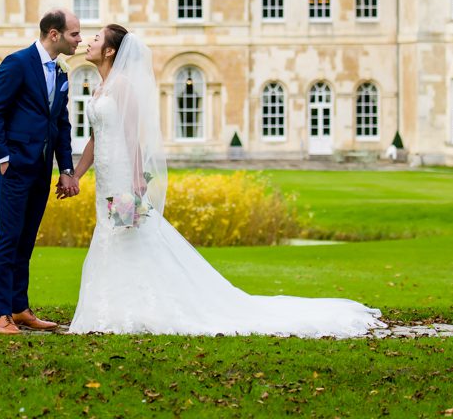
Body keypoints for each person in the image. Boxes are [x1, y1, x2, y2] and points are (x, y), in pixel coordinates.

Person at [65, 23, 386, 337]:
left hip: (123, 176)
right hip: (106, 179)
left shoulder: (122, 86)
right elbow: (96, 138)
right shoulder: (99, 89)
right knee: (113, 236)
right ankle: (115, 307)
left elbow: (133, 136)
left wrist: (136, 179)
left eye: (95, 39)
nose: (88, 42)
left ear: (109, 50)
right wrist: (76, 175)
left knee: (131, 238)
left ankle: (143, 308)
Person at [0, 9, 82, 335]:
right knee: (8, 238)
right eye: (74, 34)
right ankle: (0, 314)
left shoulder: (63, 73)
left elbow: (61, 125)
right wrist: (2, 158)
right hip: (15, 169)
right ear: (54, 35)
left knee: (26, 241)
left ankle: (19, 308)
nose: (79, 40)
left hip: (41, 170)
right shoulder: (17, 63)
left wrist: (66, 169)